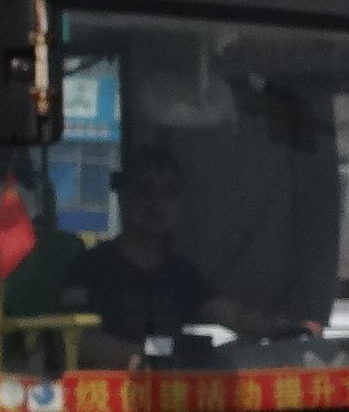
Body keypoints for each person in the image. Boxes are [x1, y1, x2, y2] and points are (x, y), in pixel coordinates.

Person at [67, 150, 260, 366]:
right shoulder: (89, 268)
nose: (157, 202)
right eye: (143, 190)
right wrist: (149, 355)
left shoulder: (182, 273)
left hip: (174, 391)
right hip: (109, 393)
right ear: (123, 197)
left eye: (169, 192)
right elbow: (79, 339)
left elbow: (235, 316)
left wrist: (296, 326)